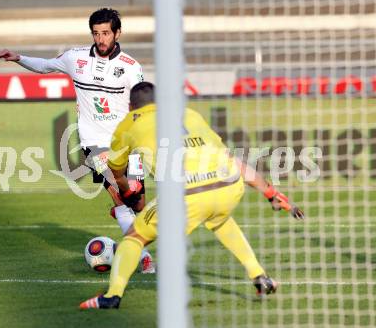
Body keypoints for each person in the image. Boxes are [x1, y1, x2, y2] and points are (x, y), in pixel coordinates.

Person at [80, 81, 304, 309]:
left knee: (133, 237)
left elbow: (117, 171)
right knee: (220, 219)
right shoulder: (190, 114)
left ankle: (112, 296)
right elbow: (231, 159)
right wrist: (270, 192)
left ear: (131, 106)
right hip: (228, 185)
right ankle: (259, 277)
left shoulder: (127, 124)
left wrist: (127, 191)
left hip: (186, 194)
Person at [0, 8, 155, 273]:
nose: (101, 39)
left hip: (128, 142)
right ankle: (145, 257)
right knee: (123, 200)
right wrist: (18, 58)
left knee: (138, 205)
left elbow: (140, 103)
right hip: (96, 144)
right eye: (96, 33)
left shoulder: (130, 67)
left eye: (106, 33)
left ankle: (127, 219)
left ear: (117, 33)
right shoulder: (75, 58)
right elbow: (45, 66)